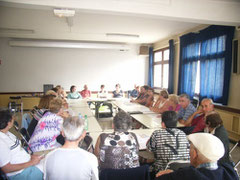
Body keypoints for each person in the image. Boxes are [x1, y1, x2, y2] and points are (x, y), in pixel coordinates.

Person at [155, 133, 238, 180]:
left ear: (194, 154)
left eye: (190, 149)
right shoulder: (229, 171)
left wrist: (173, 175)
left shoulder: (189, 174)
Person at [0, 109, 43, 180]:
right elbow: (6, 168)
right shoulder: (1, 142)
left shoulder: (6, 133)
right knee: (51, 170)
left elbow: (17, 151)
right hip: (20, 174)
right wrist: (31, 163)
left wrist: (30, 157)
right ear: (8, 123)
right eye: (12, 119)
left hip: (27, 164)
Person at [147, 111, 190, 175]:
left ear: (163, 124)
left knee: (145, 166)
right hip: (182, 171)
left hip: (162, 171)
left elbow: (149, 149)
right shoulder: (182, 133)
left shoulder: (157, 133)